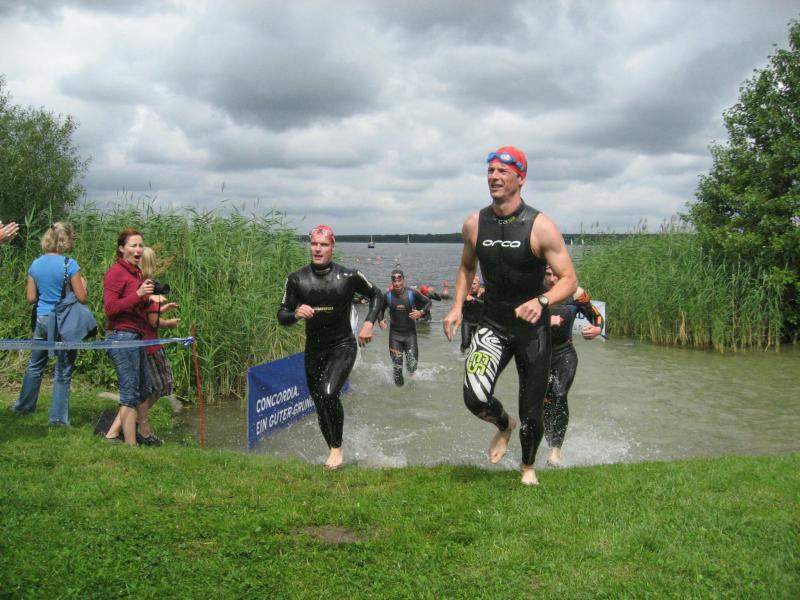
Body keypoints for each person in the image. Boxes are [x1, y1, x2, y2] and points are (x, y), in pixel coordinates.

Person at [443, 146, 578, 486]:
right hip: (493, 324)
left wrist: (542, 301)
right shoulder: (475, 224)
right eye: (490, 171)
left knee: (531, 410)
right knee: (474, 397)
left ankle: (527, 467)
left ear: (521, 178)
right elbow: (466, 267)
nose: (494, 177)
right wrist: (457, 306)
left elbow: (569, 280)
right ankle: (504, 425)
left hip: (532, 331)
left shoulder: (540, 226)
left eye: (502, 171)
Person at [277, 225, 383, 470]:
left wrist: (369, 323)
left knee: (328, 392)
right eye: (314, 244)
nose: (318, 249)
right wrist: (295, 314)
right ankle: (333, 450)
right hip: (314, 350)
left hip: (343, 345)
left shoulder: (348, 276)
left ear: (332, 247)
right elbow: (281, 315)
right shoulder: (296, 279)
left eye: (323, 245)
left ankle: (336, 449)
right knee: (320, 404)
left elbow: (377, 295)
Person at [10, 222, 88, 425]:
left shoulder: (35, 264)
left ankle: (24, 406)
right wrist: (83, 286)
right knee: (63, 369)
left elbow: (30, 298)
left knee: (35, 364)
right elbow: (82, 297)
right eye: (71, 238)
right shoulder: (70, 264)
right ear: (65, 240)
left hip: (42, 319)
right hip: (64, 321)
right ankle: (58, 418)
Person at [105, 247, 179, 446]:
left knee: (141, 390)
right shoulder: (142, 288)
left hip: (141, 341)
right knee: (152, 388)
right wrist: (169, 323)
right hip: (148, 345)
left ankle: (126, 429)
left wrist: (161, 308)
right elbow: (152, 321)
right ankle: (126, 429)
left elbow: (146, 314)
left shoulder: (138, 287)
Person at [103, 228, 161, 446]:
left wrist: (148, 300)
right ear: (121, 248)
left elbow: (135, 306)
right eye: (133, 245)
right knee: (129, 392)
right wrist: (137, 294)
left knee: (145, 389)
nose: (138, 250)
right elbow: (110, 308)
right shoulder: (116, 272)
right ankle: (130, 445)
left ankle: (121, 435)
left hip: (136, 336)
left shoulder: (136, 273)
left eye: (140, 246)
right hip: (121, 337)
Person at [543, 265, 603, 466]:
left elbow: (596, 315)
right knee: (545, 402)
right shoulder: (533, 291)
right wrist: (544, 321)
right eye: (548, 274)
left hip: (564, 354)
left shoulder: (576, 293)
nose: (552, 279)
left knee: (559, 395)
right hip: (539, 356)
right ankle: (549, 441)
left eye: (556, 275)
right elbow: (516, 320)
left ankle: (555, 451)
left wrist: (597, 329)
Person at [378, 269, 431, 386]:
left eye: (399, 280)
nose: (397, 283)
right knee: (397, 370)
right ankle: (398, 394)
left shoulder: (412, 293)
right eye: (394, 280)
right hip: (395, 337)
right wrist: (380, 320)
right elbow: (380, 310)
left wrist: (421, 312)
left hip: (410, 336)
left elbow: (428, 302)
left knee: (412, 367)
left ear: (403, 279)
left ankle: (411, 390)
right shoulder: (388, 296)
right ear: (392, 281)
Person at [460, 275, 485, 353]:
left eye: (474, 284)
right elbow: (460, 309)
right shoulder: (465, 293)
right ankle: (461, 356)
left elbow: (487, 304)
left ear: (478, 284)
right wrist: (465, 301)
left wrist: (473, 299)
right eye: (470, 284)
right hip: (467, 321)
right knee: (465, 344)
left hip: (479, 322)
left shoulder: (484, 293)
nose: (472, 286)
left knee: (478, 345)